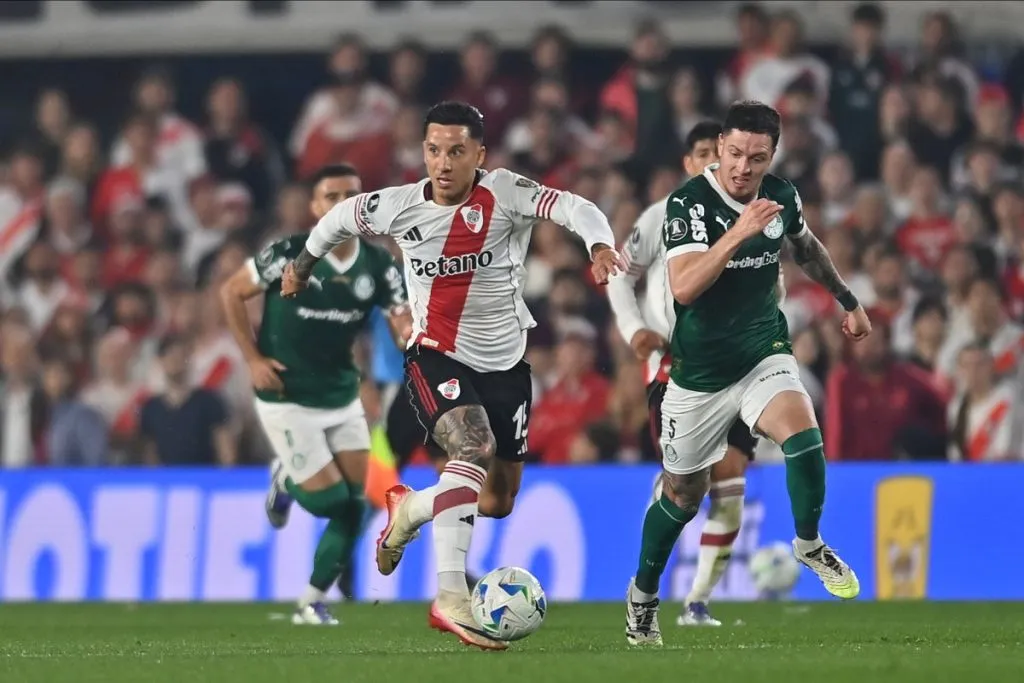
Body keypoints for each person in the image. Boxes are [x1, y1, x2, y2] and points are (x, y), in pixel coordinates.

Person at [279, 101, 622, 650]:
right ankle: (450, 597)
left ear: (479, 155)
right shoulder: (398, 206)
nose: (443, 162)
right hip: (435, 354)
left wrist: (600, 245)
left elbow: (576, 207)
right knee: (472, 445)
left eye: (457, 151)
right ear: (424, 152)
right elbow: (338, 219)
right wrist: (302, 266)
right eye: (435, 150)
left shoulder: (506, 192)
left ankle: (410, 508)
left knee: (497, 501)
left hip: (506, 366)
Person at [624, 101, 872, 647]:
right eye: (734, 153)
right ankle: (642, 597)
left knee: (803, 434)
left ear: (772, 155)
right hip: (699, 374)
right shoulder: (688, 203)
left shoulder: (781, 195)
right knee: (682, 497)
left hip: (762, 351)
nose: (743, 167)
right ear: (720, 149)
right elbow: (685, 287)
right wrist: (738, 232)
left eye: (756, 157)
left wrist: (847, 300)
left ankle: (809, 543)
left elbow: (807, 249)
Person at [609, 120, 786, 627]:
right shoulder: (664, 214)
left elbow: (775, 283)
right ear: (689, 163)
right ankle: (650, 580)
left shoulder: (755, 212)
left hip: (740, 363)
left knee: (731, 477)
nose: (718, 163)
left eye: (721, 153)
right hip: (677, 364)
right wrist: (634, 330)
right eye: (705, 153)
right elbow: (621, 273)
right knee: (688, 488)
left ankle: (698, 602)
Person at [219, 164, 412, 626]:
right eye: (332, 196)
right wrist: (252, 359)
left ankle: (311, 601)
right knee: (332, 503)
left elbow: (399, 321)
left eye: (352, 196)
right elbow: (231, 292)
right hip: (287, 396)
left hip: (341, 394)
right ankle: (285, 481)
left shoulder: (379, 265)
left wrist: (411, 336)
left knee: (358, 505)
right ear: (315, 207)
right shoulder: (288, 253)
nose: (343, 205)